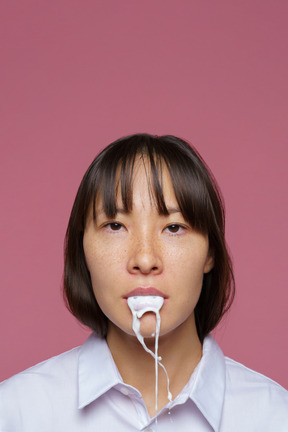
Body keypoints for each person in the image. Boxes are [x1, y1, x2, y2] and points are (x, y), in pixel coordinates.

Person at [0, 134, 287, 431]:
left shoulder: (275, 417)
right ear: (82, 249)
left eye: (174, 227)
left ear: (210, 253)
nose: (145, 259)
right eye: (115, 226)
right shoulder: (14, 413)